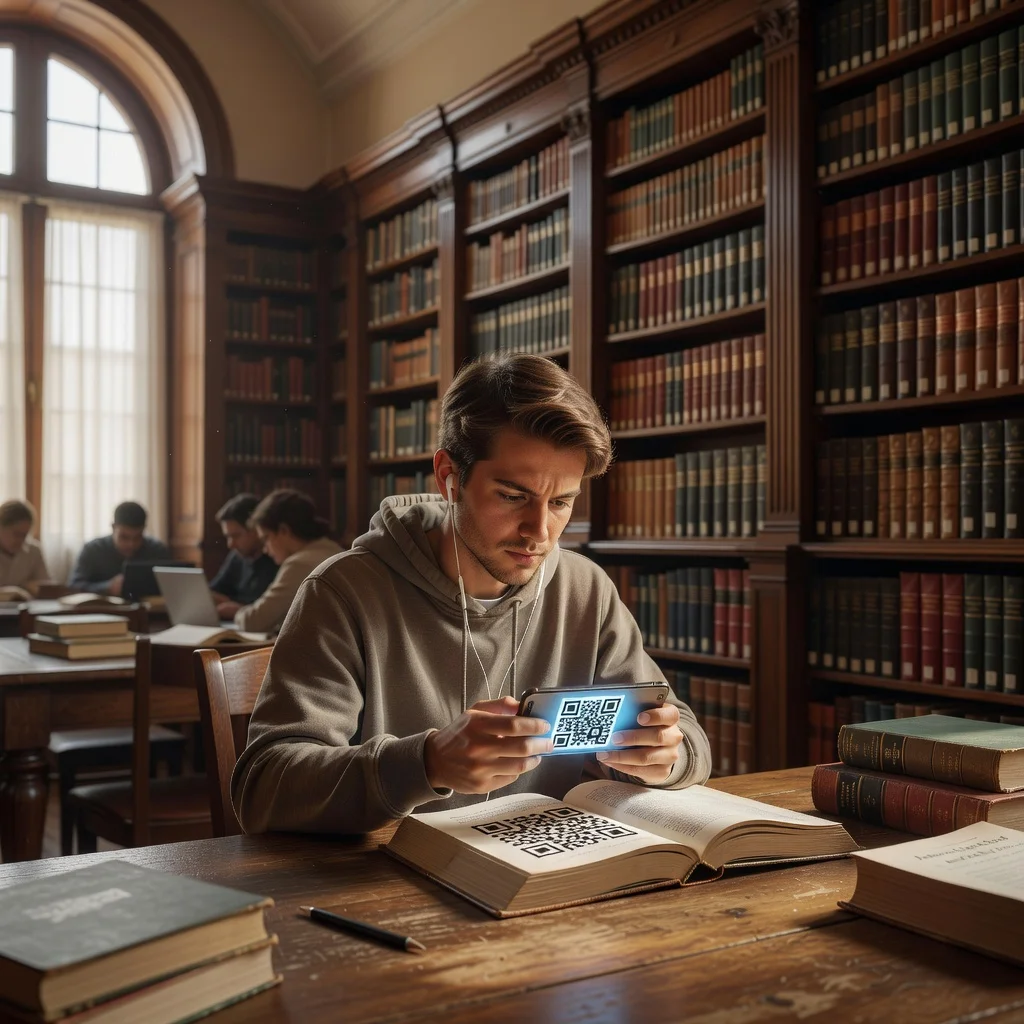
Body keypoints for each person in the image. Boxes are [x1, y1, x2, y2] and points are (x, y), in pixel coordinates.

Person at [232, 354, 711, 837]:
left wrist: (666, 755)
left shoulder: (586, 589)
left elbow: (686, 736)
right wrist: (427, 763)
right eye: (512, 495)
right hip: (380, 884)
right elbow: (264, 789)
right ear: (449, 477)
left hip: (545, 873)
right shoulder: (343, 591)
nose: (539, 533)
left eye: (561, 502)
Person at [232, 490, 343, 634]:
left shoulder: (298, 564)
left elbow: (253, 622)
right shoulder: (336, 550)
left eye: (266, 538)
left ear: (284, 530)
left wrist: (237, 613)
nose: (265, 549)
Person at [68, 501, 171, 596]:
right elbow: (73, 587)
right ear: (113, 528)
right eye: (124, 537)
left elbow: (170, 586)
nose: (131, 544)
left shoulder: (157, 550)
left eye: (137, 537)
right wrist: (107, 587)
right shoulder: (93, 550)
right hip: (103, 612)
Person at [208, 493, 278, 620]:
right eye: (228, 537)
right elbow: (216, 590)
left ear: (257, 530)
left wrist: (236, 606)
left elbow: (270, 610)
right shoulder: (237, 556)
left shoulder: (277, 558)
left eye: (236, 536)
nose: (230, 544)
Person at [0, 499, 50, 595]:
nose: (20, 540)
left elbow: (45, 586)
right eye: (16, 534)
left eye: (24, 535)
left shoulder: (34, 551)